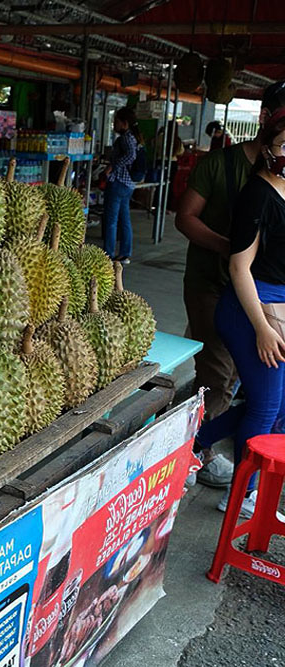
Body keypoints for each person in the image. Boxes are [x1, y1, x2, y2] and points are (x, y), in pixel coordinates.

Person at [176, 81, 285, 488]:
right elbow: (184, 218)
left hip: (260, 295)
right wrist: (233, 249)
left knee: (257, 393)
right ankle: (195, 457)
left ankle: (197, 446)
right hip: (214, 284)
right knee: (217, 377)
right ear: (266, 120)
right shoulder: (220, 165)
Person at [214, 108, 285, 518]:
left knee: (277, 404)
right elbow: (239, 267)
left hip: (277, 307)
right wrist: (261, 327)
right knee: (265, 406)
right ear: (268, 147)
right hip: (251, 309)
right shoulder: (257, 194)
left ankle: (196, 443)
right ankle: (243, 494)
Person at [102, 107, 142, 263]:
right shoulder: (134, 137)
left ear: (124, 123)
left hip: (118, 183)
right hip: (128, 185)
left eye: (116, 121)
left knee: (111, 220)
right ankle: (125, 253)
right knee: (124, 219)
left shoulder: (126, 138)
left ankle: (108, 254)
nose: (114, 124)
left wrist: (112, 167)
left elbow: (130, 156)